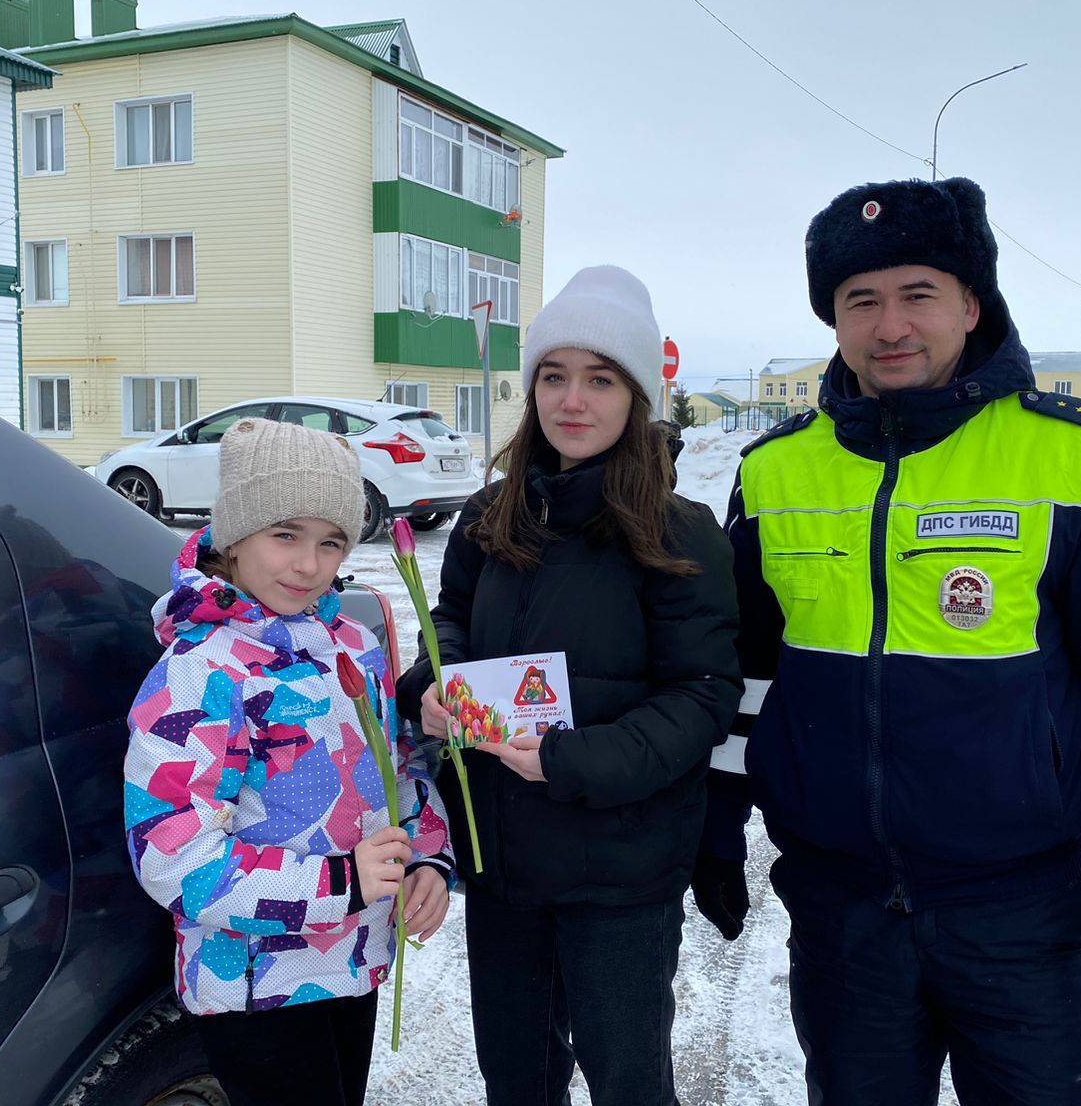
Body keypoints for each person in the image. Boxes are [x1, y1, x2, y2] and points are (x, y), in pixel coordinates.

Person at [691, 178, 1081, 1105]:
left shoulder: (1075, 455)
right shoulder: (773, 470)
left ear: (971, 304)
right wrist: (714, 823)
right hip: (843, 915)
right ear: (834, 320)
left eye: (918, 293)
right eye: (861, 300)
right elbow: (748, 676)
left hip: (1024, 916)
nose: (890, 324)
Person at [395, 266, 742, 1106]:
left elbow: (702, 697)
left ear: (635, 396)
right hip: (506, 866)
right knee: (516, 1078)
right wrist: (430, 691)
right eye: (555, 375)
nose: (572, 400)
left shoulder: (677, 532)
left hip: (620, 872)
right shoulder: (489, 517)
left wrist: (570, 761)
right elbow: (447, 626)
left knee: (628, 1081)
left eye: (599, 378)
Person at [124, 419, 454, 1106]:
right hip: (255, 985)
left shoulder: (350, 644)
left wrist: (426, 857)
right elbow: (172, 854)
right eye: (284, 535)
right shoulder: (202, 671)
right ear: (235, 535)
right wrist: (343, 883)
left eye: (330, 541)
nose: (309, 564)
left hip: (352, 960)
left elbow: (394, 769)